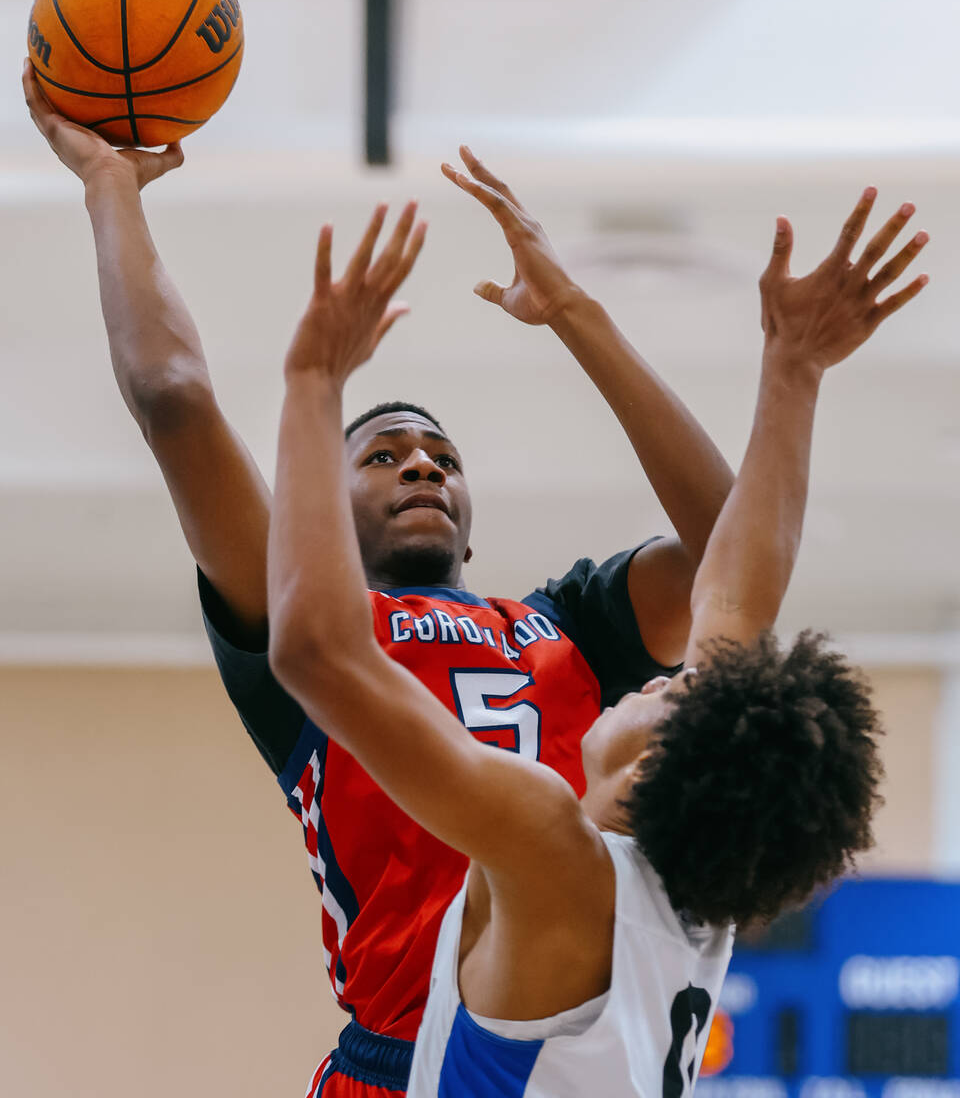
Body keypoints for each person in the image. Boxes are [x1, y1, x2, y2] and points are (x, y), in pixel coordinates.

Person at [23, 64, 742, 1094]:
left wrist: (575, 313)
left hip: (566, 1042)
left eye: (443, 458)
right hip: (397, 1060)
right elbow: (173, 398)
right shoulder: (318, 628)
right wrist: (110, 188)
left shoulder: (568, 625)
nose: (421, 466)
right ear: (319, 518)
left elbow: (729, 545)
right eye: (384, 455)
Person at [266, 181, 927, 1097]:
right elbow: (737, 589)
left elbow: (315, 653)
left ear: (655, 771)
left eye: (671, 694)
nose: (659, 679)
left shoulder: (554, 854)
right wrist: (794, 365)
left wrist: (312, 382)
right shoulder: (686, 883)